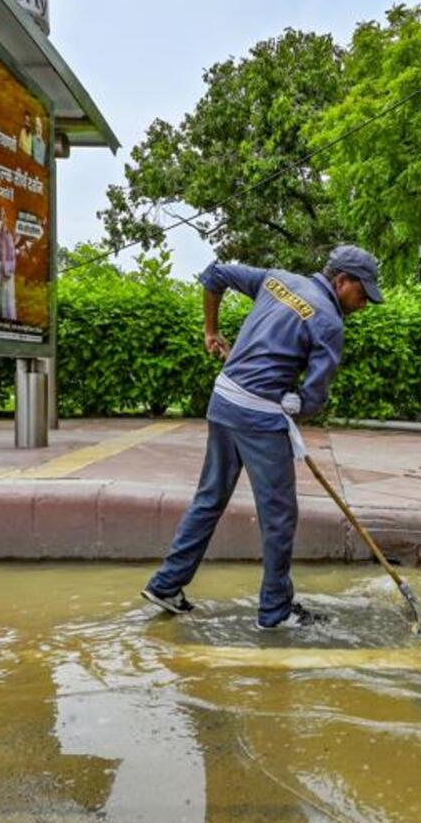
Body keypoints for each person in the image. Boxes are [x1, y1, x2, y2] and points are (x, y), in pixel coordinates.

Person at [141, 245, 384, 630]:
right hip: (258, 417)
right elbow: (315, 396)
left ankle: (167, 584)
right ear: (342, 281)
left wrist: (211, 331)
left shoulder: (277, 280)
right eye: (362, 294)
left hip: (223, 401)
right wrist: (297, 405)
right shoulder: (329, 324)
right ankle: (275, 612)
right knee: (280, 517)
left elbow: (214, 274)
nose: (364, 304)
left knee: (209, 499)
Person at [0, 208, 18, 320]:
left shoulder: (9, 234)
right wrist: (2, 268)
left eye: (4, 216)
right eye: (0, 216)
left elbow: (12, 254)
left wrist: (10, 268)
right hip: (0, 271)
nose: (2, 218)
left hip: (9, 272)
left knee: (10, 299)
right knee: (2, 300)